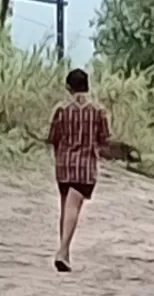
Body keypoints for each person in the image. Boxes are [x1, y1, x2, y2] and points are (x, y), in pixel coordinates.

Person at [46, 68, 111, 273]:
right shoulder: (98, 111)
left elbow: (53, 137)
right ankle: (63, 251)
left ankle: (64, 253)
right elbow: (104, 139)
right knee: (73, 207)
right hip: (85, 167)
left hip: (64, 164)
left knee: (66, 207)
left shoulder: (61, 110)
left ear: (68, 88)